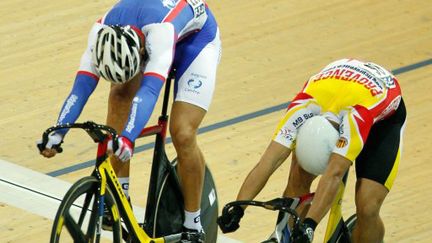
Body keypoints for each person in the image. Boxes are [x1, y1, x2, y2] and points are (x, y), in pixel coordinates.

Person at [38, 0, 221, 241]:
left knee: (183, 132)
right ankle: (120, 195)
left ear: (141, 53)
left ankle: (193, 224)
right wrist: (57, 133)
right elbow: (80, 88)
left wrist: (127, 139)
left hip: (195, 44)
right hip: (141, 37)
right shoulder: (99, 33)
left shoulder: (160, 32)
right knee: (120, 96)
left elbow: (150, 91)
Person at [217, 58, 406, 243]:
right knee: (298, 177)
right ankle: (286, 237)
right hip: (336, 90)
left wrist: (309, 224)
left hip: (380, 121)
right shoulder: (302, 107)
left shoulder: (356, 118)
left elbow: (334, 174)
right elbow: (269, 161)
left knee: (367, 207)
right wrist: (239, 207)